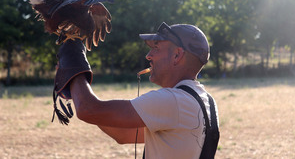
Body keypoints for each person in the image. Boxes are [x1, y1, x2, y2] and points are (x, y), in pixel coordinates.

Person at [53, 22, 219, 159]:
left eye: (156, 48)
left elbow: (88, 110)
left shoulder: (173, 101)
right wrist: (79, 88)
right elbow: (124, 135)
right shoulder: (205, 101)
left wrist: (73, 64)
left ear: (177, 55)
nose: (148, 55)